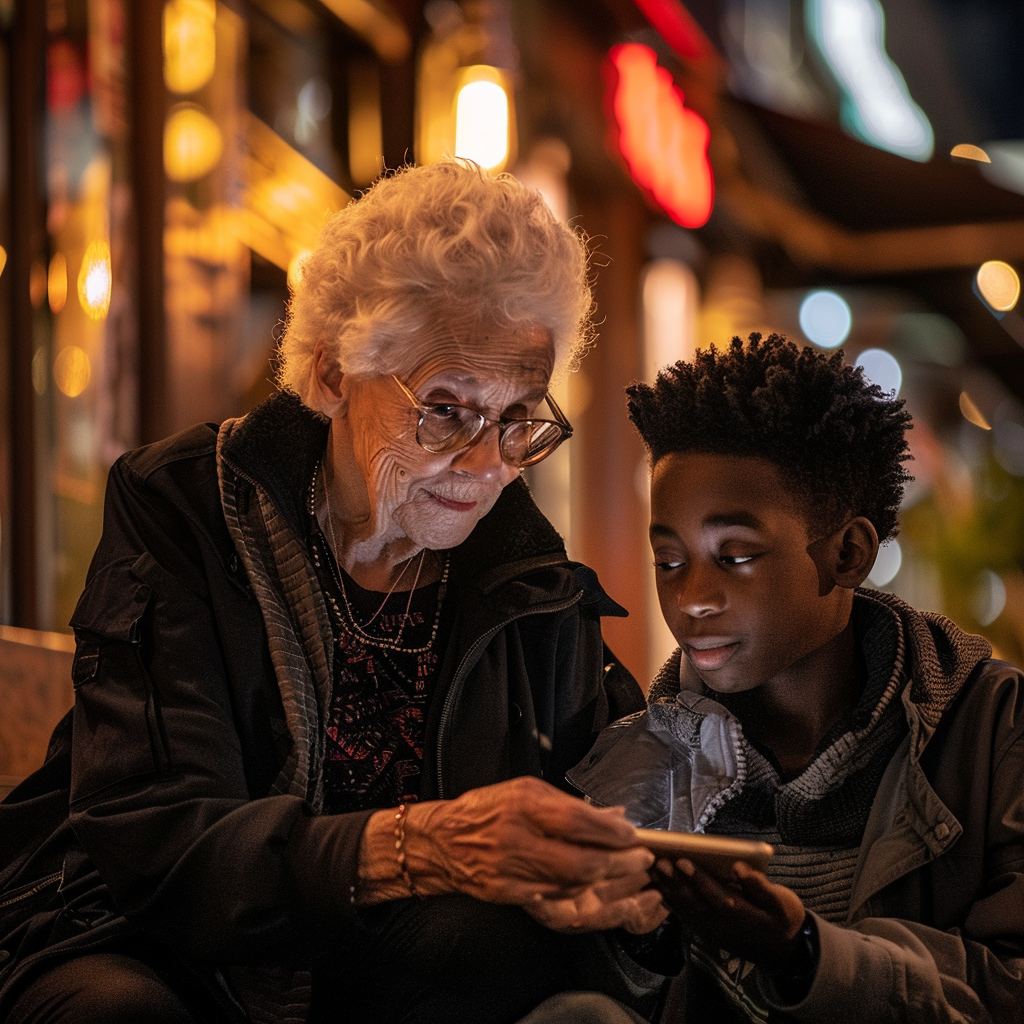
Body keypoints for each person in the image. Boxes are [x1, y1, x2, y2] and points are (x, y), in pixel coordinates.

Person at [0, 161, 668, 1024]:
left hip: (391, 967)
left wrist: (625, 902)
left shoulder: (533, 587)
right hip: (152, 945)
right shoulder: (189, 506)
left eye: (517, 419)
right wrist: (421, 847)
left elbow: (593, 834)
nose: (486, 464)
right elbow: (163, 840)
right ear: (329, 375)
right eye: (446, 409)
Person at [569, 333, 1024, 1023]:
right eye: (669, 561)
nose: (692, 596)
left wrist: (803, 953)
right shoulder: (637, 760)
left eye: (736, 556)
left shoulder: (993, 730)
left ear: (848, 553)